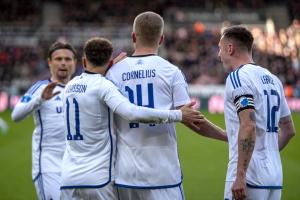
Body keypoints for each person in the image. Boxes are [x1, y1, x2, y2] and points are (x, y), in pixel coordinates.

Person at [60, 37, 202, 200]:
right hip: (98, 179)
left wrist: (111, 66)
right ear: (108, 61)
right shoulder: (104, 86)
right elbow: (132, 112)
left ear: (84, 61)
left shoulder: (69, 86)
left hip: (67, 178)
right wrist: (178, 115)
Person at [106, 11, 227, 200]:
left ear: (133, 37)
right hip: (163, 175)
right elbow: (194, 121)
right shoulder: (171, 72)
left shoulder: (112, 73)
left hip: (125, 175)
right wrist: (228, 136)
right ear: (161, 38)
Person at [218, 25, 296, 200]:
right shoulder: (274, 79)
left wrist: (240, 175)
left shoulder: (238, 77)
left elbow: (248, 124)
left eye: (220, 48)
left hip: (249, 177)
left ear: (230, 49)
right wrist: (268, 154)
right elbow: (289, 130)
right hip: (274, 176)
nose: (218, 55)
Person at [11, 41, 77, 200]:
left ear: (75, 63)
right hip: (48, 167)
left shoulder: (78, 88)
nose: (63, 62)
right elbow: (16, 115)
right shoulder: (40, 88)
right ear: (49, 62)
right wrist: (40, 99)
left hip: (75, 166)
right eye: (58, 58)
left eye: (68, 59)